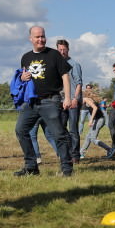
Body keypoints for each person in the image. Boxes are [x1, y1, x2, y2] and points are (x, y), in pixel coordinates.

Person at [14, 26, 73, 177]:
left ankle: (67, 168)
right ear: (31, 39)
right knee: (21, 130)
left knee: (58, 134)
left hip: (50, 100)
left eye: (43, 36)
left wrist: (67, 97)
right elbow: (23, 77)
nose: (40, 39)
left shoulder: (54, 54)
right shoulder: (25, 57)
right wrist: (22, 78)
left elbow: (65, 76)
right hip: (31, 102)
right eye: (37, 37)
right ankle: (31, 167)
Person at [56, 39, 83, 163]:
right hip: (61, 100)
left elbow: (78, 83)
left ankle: (75, 155)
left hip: (73, 100)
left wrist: (75, 99)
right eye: (60, 50)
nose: (62, 52)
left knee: (73, 128)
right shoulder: (56, 64)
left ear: (68, 49)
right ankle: (66, 152)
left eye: (64, 50)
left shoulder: (74, 64)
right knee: (60, 128)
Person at [80, 87, 115, 159]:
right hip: (99, 119)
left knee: (92, 138)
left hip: (98, 120)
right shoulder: (93, 99)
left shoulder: (86, 99)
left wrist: (90, 120)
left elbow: (95, 108)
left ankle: (110, 149)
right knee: (88, 137)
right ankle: (81, 153)